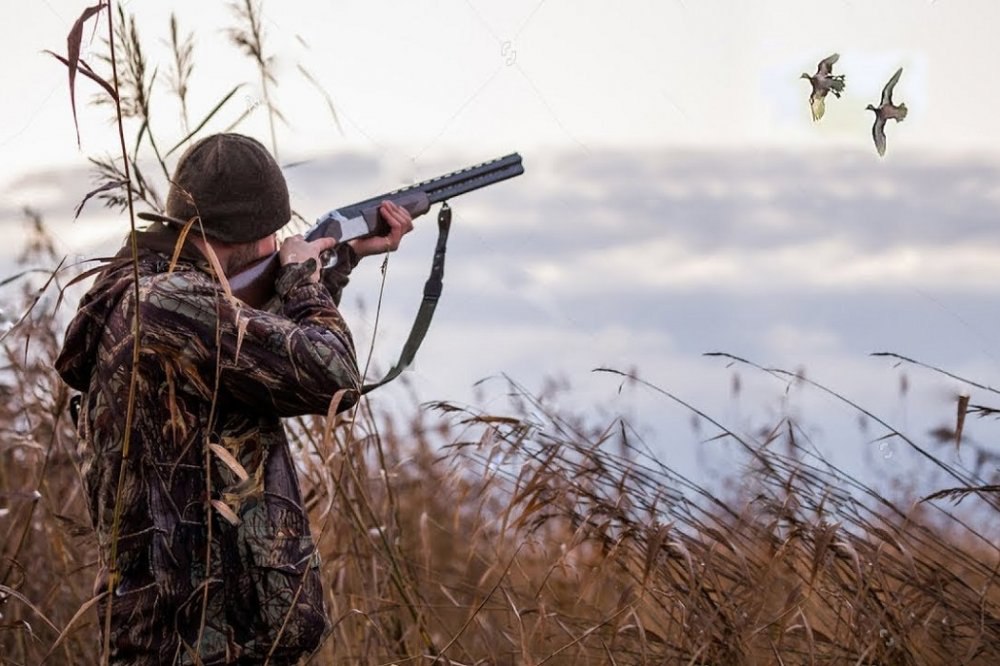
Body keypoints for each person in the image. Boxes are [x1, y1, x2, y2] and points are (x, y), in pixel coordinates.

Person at [55, 133, 413, 664]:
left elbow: (263, 354)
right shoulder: (173, 304)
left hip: (191, 632)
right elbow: (332, 374)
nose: (277, 243)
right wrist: (299, 275)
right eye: (272, 234)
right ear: (242, 234)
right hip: (197, 639)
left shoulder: (152, 290)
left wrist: (337, 265)